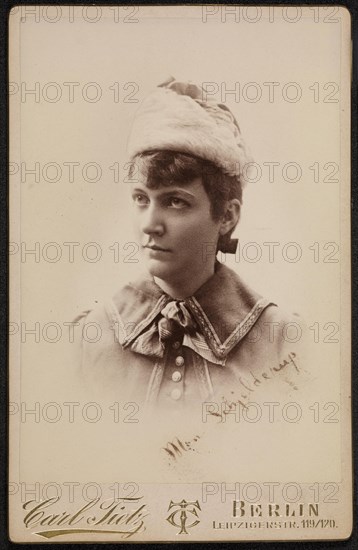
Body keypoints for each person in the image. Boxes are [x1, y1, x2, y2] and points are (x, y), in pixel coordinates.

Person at [74, 77, 309, 417]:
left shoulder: (283, 343)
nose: (150, 224)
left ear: (226, 216)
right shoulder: (90, 338)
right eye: (141, 199)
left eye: (175, 202)